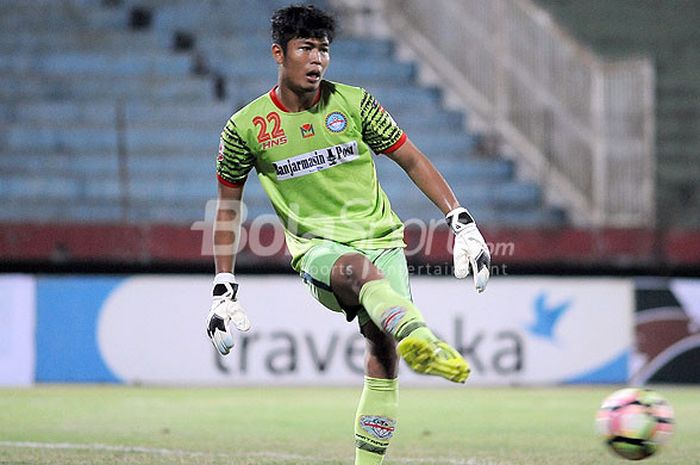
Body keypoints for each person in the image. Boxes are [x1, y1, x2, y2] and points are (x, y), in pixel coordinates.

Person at [206, 4, 491, 465]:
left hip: (383, 240)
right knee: (361, 277)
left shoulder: (356, 104)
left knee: (383, 345)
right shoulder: (246, 128)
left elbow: (412, 159)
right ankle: (421, 335)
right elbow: (227, 206)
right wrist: (223, 286)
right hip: (320, 250)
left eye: (324, 49)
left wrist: (459, 219)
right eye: (306, 48)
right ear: (279, 53)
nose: (317, 59)